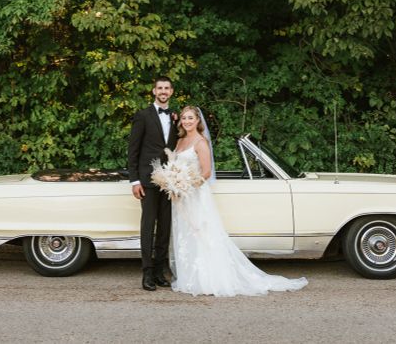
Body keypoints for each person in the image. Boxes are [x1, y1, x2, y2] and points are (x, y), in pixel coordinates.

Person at [169, 106, 308, 297]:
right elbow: (175, 165)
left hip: (195, 195)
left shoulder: (201, 142)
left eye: (191, 118)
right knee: (187, 235)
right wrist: (174, 183)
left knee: (202, 234)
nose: (187, 121)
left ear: (198, 121)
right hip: (181, 198)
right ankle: (190, 278)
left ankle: (208, 280)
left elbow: (207, 172)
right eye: (184, 118)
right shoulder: (180, 140)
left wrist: (185, 185)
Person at [128, 76, 179, 291]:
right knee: (148, 227)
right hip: (148, 180)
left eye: (167, 88)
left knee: (165, 227)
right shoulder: (143, 116)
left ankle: (160, 271)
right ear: (153, 91)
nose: (163, 91)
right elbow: (133, 150)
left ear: (172, 91)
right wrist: (135, 180)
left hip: (170, 182)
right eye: (160, 88)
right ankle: (147, 273)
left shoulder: (176, 119)